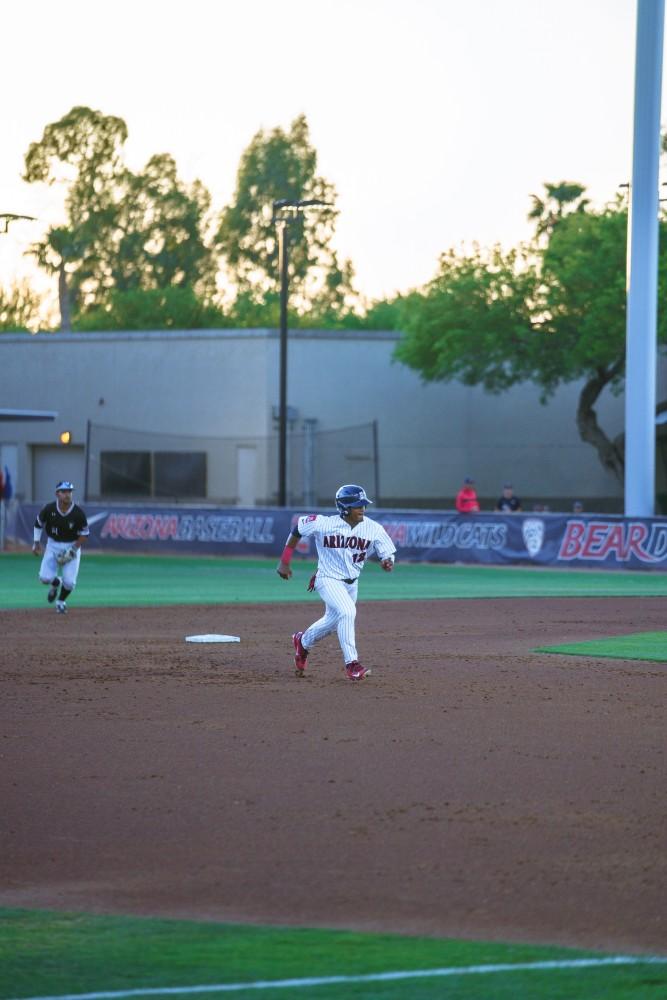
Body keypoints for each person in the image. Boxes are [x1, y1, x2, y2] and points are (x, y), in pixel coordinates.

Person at [276, 484, 396, 681]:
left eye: (364, 505)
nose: (362, 509)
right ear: (344, 507)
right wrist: (284, 562)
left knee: (334, 623)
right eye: (358, 505)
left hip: (351, 584)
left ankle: (302, 641)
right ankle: (352, 664)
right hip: (327, 579)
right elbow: (297, 529)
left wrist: (388, 561)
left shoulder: (373, 528)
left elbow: (387, 551)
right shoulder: (323, 523)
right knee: (348, 612)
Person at [32, 480, 89, 614]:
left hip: (72, 545)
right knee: (44, 578)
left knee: (69, 583)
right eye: (64, 492)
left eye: (69, 491)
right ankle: (55, 583)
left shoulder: (78, 513)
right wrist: (36, 542)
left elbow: (85, 534)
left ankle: (60, 601)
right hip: (53, 545)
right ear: (57, 494)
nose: (67, 494)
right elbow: (38, 524)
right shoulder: (49, 509)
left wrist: (74, 549)